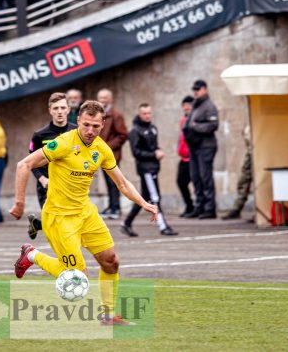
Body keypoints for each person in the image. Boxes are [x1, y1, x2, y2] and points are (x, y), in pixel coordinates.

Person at [10, 100, 158, 326]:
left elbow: (122, 182)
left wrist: (143, 202)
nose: (90, 131)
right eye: (86, 125)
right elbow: (24, 164)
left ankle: (108, 316)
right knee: (78, 277)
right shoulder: (63, 143)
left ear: (102, 124)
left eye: (95, 127)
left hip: (85, 213)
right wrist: (19, 203)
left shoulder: (101, 148)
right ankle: (31, 254)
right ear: (77, 121)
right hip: (59, 218)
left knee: (111, 261)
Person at [120, 103, 177, 237]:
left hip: (153, 168)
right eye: (144, 113)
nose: (147, 116)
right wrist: (153, 155)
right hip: (146, 169)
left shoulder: (153, 128)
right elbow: (136, 152)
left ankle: (127, 223)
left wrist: (158, 151)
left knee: (144, 197)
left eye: (149, 113)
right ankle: (163, 226)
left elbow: (154, 146)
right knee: (155, 197)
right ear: (139, 114)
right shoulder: (135, 131)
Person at [26, 92, 77, 240]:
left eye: (62, 108)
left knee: (67, 223)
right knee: (56, 226)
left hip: (70, 185)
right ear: (50, 110)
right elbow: (31, 162)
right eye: (56, 108)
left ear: (68, 109)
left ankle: (37, 224)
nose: (59, 112)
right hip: (47, 185)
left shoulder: (76, 132)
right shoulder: (39, 135)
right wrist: (42, 179)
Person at [183, 79, 219, 219]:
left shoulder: (209, 106)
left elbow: (213, 125)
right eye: (194, 89)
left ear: (205, 89)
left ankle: (210, 208)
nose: (196, 92)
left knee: (205, 177)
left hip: (206, 147)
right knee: (196, 178)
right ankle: (200, 207)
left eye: (198, 89)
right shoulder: (196, 105)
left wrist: (195, 126)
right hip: (195, 147)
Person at [97, 88, 128, 219]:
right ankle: (111, 206)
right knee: (108, 182)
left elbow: (123, 135)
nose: (103, 100)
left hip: (112, 156)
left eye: (105, 98)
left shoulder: (116, 115)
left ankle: (116, 208)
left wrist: (107, 148)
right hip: (101, 156)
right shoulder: (99, 115)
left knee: (114, 182)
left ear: (111, 99)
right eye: (101, 98)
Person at [223, 125, 252, 220]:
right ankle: (237, 208)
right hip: (250, 157)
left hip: (259, 156)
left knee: (261, 185)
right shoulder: (248, 127)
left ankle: (263, 213)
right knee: (243, 183)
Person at [177, 96, 194, 217]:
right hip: (183, 158)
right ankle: (189, 206)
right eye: (184, 105)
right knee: (181, 182)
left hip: (192, 158)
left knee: (198, 183)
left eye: (188, 105)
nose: (186, 107)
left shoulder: (194, 120)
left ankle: (196, 208)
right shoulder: (183, 120)